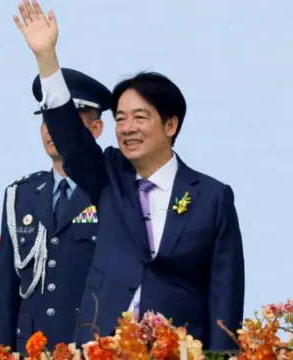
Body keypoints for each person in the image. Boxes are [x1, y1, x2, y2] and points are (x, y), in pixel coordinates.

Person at [13, 0, 245, 350]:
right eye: (120, 118)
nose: (127, 128)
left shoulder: (212, 196)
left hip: (179, 347)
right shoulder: (108, 174)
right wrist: (47, 59)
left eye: (140, 117)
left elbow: (225, 288)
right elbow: (69, 137)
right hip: (101, 342)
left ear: (170, 124)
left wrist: (221, 354)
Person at [0, 69, 110, 353]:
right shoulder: (20, 194)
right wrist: (0, 350)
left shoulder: (111, 189)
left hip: (92, 346)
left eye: (64, 121)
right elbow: (7, 290)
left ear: (95, 129)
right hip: (31, 347)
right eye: (47, 120)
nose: (51, 129)